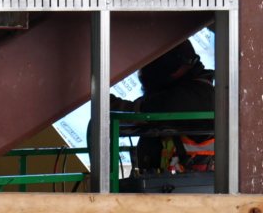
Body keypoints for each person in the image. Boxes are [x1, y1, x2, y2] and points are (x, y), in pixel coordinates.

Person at [89, 40, 215, 172]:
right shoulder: (201, 90)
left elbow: (130, 116)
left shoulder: (187, 98)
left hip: (178, 186)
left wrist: (96, 94)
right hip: (177, 184)